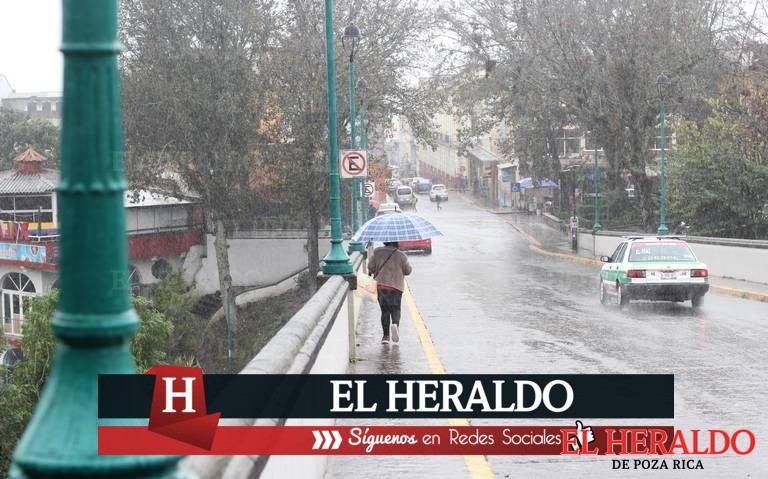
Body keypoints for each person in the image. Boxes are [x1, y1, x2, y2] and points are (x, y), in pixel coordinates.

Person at [367, 241, 412, 344]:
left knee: (385, 311)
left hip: (381, 286)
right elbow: (408, 271)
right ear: (396, 242)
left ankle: (385, 337)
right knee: (396, 309)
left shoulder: (377, 252)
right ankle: (395, 324)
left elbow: (370, 267)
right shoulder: (401, 255)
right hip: (396, 287)